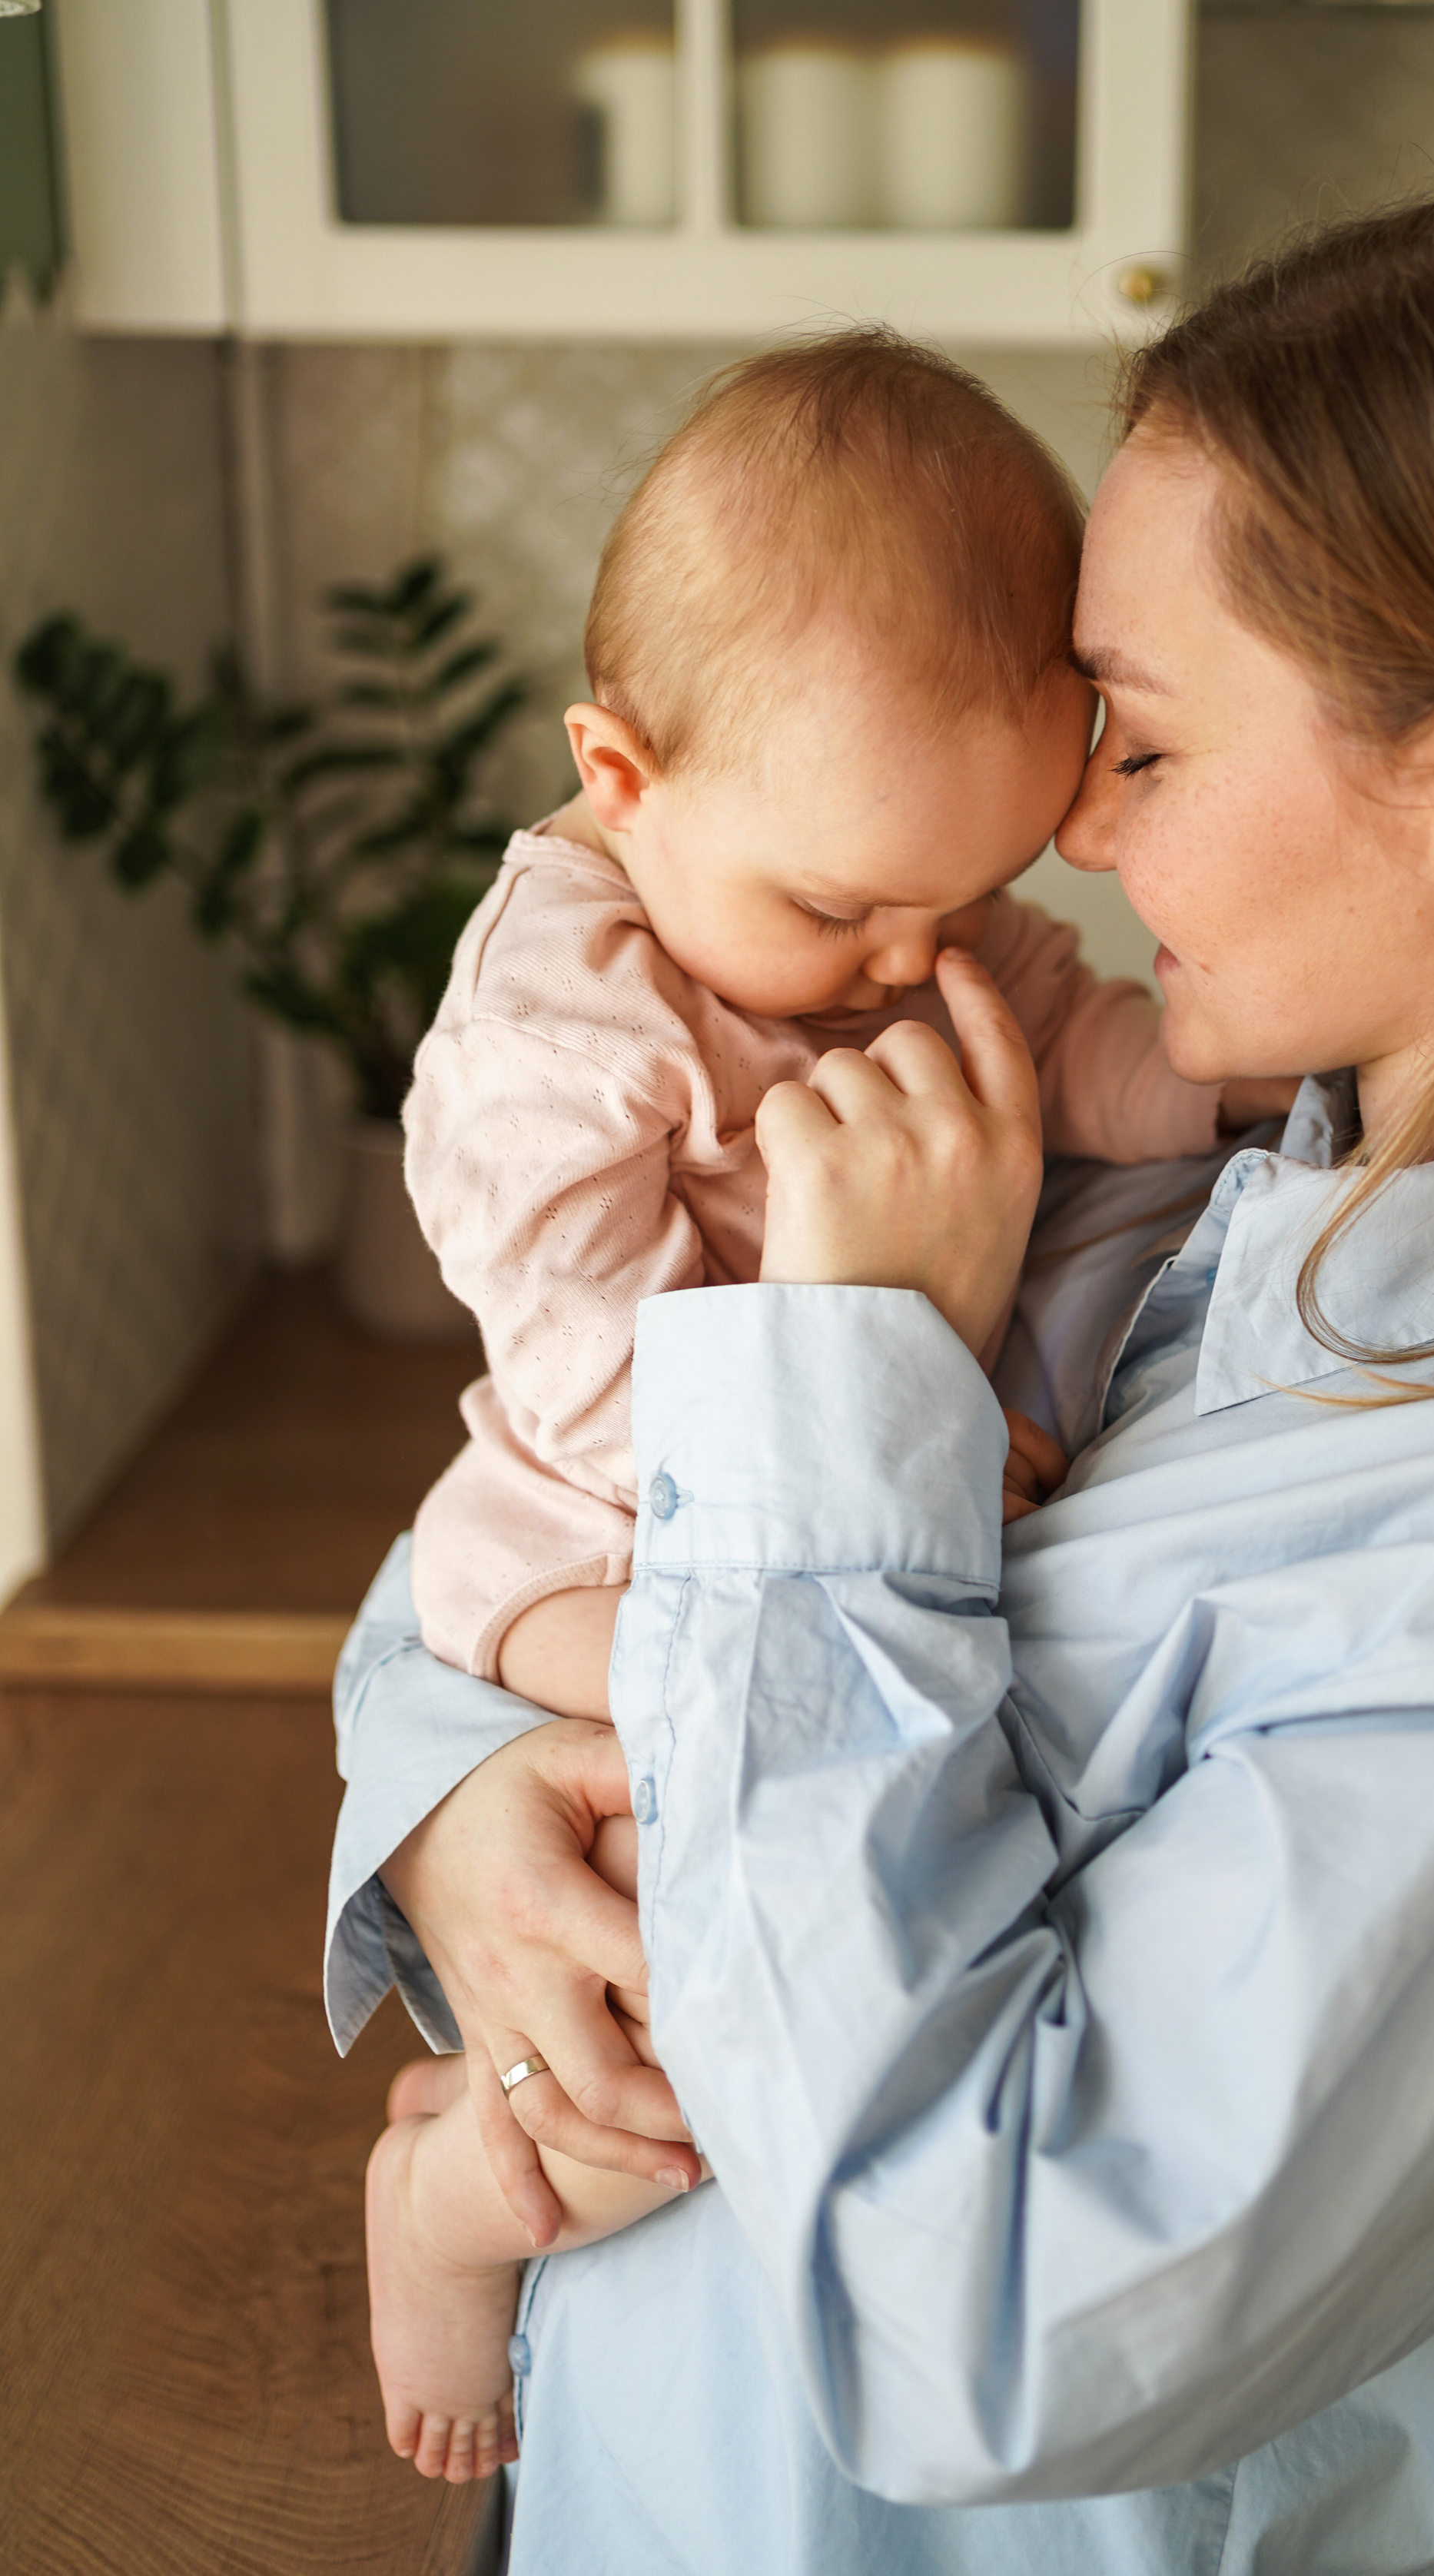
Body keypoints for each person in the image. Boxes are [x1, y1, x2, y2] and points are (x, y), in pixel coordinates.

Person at [327, 182, 1434, 2573]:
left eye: (1147, 743)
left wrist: (848, 1385)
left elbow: (977, 2320)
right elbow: (511, 1512)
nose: (1072, 824)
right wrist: (463, 1818)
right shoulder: (1219, 1217)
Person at [367, 330, 1294, 2474]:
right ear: (622, 776)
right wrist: (872, 1393)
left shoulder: (906, 906)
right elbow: (575, 1360)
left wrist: (1240, 1060)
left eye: (962, 900)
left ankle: (463, 2119)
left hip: (813, 1502)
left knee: (767, 1876)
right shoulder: (561, 1031)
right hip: (587, 1535)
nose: (907, 961)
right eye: (837, 908)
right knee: (735, 1835)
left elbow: (1104, 1062)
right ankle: (443, 2206)